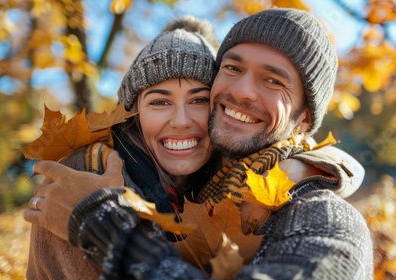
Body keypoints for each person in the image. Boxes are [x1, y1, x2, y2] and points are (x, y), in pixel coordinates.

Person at [25, 9, 373, 279]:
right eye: (233, 68)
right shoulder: (96, 174)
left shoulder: (325, 219)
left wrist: (106, 226)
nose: (241, 91)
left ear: (306, 119)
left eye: (272, 80)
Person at [25, 16, 219, 279]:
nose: (182, 121)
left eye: (199, 100)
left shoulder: (225, 186)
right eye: (160, 102)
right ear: (133, 114)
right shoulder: (89, 174)